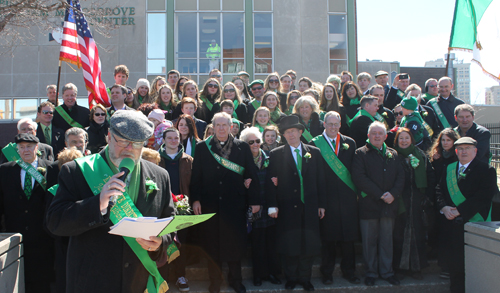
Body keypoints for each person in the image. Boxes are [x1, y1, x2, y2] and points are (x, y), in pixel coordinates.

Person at [46, 110, 176, 293]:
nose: (129, 148)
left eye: (137, 143)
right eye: (122, 141)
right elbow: (55, 222)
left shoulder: (159, 175)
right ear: (109, 136)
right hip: (92, 282)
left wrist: (160, 241)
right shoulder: (76, 171)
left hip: (139, 282)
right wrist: (98, 203)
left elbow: (169, 220)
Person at [190, 112, 260, 293]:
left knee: (234, 244)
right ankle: (215, 281)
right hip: (209, 203)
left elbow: (251, 174)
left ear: (231, 127)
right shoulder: (201, 147)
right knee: (212, 245)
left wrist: (254, 200)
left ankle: (236, 280)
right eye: (218, 125)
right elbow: (196, 177)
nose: (221, 128)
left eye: (224, 125)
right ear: (213, 127)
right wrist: (195, 199)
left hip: (234, 204)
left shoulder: (242, 147)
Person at [266, 115, 326, 291]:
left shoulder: (314, 152)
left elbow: (320, 180)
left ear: (301, 132)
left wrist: (321, 204)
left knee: (308, 243)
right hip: (287, 207)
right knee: (290, 243)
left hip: (310, 206)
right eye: (287, 132)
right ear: (283, 135)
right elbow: (271, 181)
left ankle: (305, 278)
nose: (291, 135)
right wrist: (272, 204)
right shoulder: (276, 154)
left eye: (293, 131)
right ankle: (291, 278)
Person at [436, 137, 497, 293]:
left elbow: (484, 196)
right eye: (460, 149)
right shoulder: (450, 168)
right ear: (456, 151)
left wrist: (460, 210)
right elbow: (439, 190)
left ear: (475, 151)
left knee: (474, 265)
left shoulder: (486, 170)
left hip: (472, 222)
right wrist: (444, 208)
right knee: (455, 267)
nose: (464, 151)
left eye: (467, 148)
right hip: (451, 225)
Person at [310, 111, 360, 285]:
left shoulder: (350, 143)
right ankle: (327, 273)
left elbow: (355, 170)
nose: (333, 127)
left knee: (348, 237)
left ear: (340, 124)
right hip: (327, 198)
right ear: (324, 124)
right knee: (328, 239)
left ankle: (349, 271)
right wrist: (319, 202)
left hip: (347, 197)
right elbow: (313, 175)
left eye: (336, 124)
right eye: (329, 124)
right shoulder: (315, 144)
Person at [0, 133, 55, 293]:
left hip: (43, 239)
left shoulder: (51, 169)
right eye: (22, 147)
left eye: (29, 147)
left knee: (42, 283)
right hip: (15, 236)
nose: (25, 151)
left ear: (37, 148)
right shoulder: (5, 170)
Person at [352, 121, 404, 287]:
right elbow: (359, 178)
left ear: (385, 136)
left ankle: (387, 272)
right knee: (369, 242)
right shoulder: (360, 153)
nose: (376, 136)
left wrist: (393, 194)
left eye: (380, 133)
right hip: (369, 205)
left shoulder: (393, 154)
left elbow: (400, 177)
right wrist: (381, 194)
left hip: (389, 205)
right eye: (373, 133)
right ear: (368, 135)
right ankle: (371, 273)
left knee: (387, 241)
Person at [240, 127, 281, 287]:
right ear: (246, 144)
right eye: (251, 142)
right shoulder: (242, 161)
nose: (255, 144)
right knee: (257, 245)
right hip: (254, 209)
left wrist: (278, 183)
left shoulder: (270, 158)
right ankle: (259, 275)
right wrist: (243, 184)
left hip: (270, 207)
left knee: (271, 243)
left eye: (257, 141)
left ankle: (272, 273)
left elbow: (279, 179)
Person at [392, 128, 434, 280]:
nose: (404, 141)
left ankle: (417, 267)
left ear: (411, 139)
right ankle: (399, 267)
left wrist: (427, 197)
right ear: (396, 140)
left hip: (417, 201)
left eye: (406, 138)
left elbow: (430, 175)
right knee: (398, 235)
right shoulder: (393, 155)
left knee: (417, 235)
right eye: (400, 138)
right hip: (398, 200)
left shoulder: (420, 154)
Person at [158, 128, 194, 292]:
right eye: (170, 138)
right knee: (162, 243)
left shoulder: (188, 160)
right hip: (161, 208)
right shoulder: (155, 159)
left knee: (182, 243)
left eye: (176, 138)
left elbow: (194, 184)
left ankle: (180, 276)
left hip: (182, 207)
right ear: (163, 140)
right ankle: (162, 278)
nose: (173, 141)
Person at [427, 128, 459, 278]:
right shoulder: (436, 156)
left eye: (448, 140)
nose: (445, 143)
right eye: (443, 140)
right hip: (437, 196)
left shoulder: (457, 158)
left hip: (451, 197)